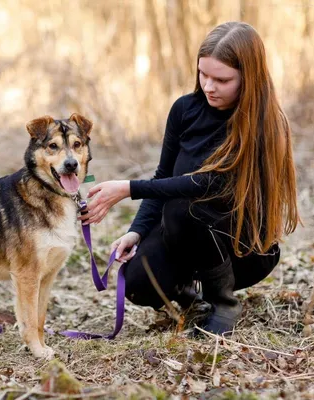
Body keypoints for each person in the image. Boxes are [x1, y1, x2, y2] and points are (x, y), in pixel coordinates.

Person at [79, 21, 299, 335]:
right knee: (138, 281)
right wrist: (138, 231)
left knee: (184, 205)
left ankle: (223, 301)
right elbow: (164, 176)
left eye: (222, 79)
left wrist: (127, 189)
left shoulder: (265, 123)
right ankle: (193, 300)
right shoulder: (184, 110)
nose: (209, 86)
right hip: (185, 233)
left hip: (245, 248)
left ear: (248, 78)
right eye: (203, 74)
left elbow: (213, 183)